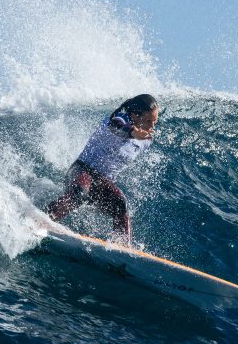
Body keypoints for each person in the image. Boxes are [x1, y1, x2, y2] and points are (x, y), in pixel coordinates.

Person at [46, 94, 160, 243]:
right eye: (148, 121)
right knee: (81, 192)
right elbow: (116, 128)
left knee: (121, 205)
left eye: (155, 122)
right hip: (81, 171)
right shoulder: (119, 118)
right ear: (134, 115)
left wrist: (139, 135)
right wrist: (132, 133)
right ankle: (43, 220)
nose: (152, 127)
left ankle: (122, 248)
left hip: (102, 182)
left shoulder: (147, 140)